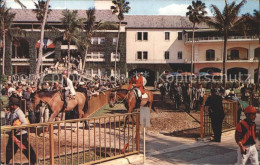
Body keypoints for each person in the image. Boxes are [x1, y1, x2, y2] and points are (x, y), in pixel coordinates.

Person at [3, 97, 37, 164]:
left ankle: (34, 161)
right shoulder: (13, 112)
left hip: (21, 134)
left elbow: (25, 123)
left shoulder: (19, 112)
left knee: (25, 149)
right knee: (10, 148)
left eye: (11, 105)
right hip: (15, 134)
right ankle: (6, 162)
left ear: (15, 105)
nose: (10, 106)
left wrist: (16, 129)